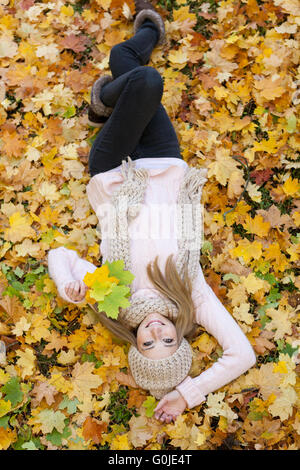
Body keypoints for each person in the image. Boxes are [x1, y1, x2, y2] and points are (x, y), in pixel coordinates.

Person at [47, 1, 256, 424]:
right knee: (131, 66)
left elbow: (59, 256)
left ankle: (109, 98)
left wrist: (68, 281)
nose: (157, 333)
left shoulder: (113, 298)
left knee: (142, 80)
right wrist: (187, 393)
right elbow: (241, 354)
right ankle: (140, 44)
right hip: (164, 163)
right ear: (181, 337)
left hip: (112, 171)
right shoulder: (191, 296)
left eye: (148, 344)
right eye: (168, 342)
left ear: (134, 342)